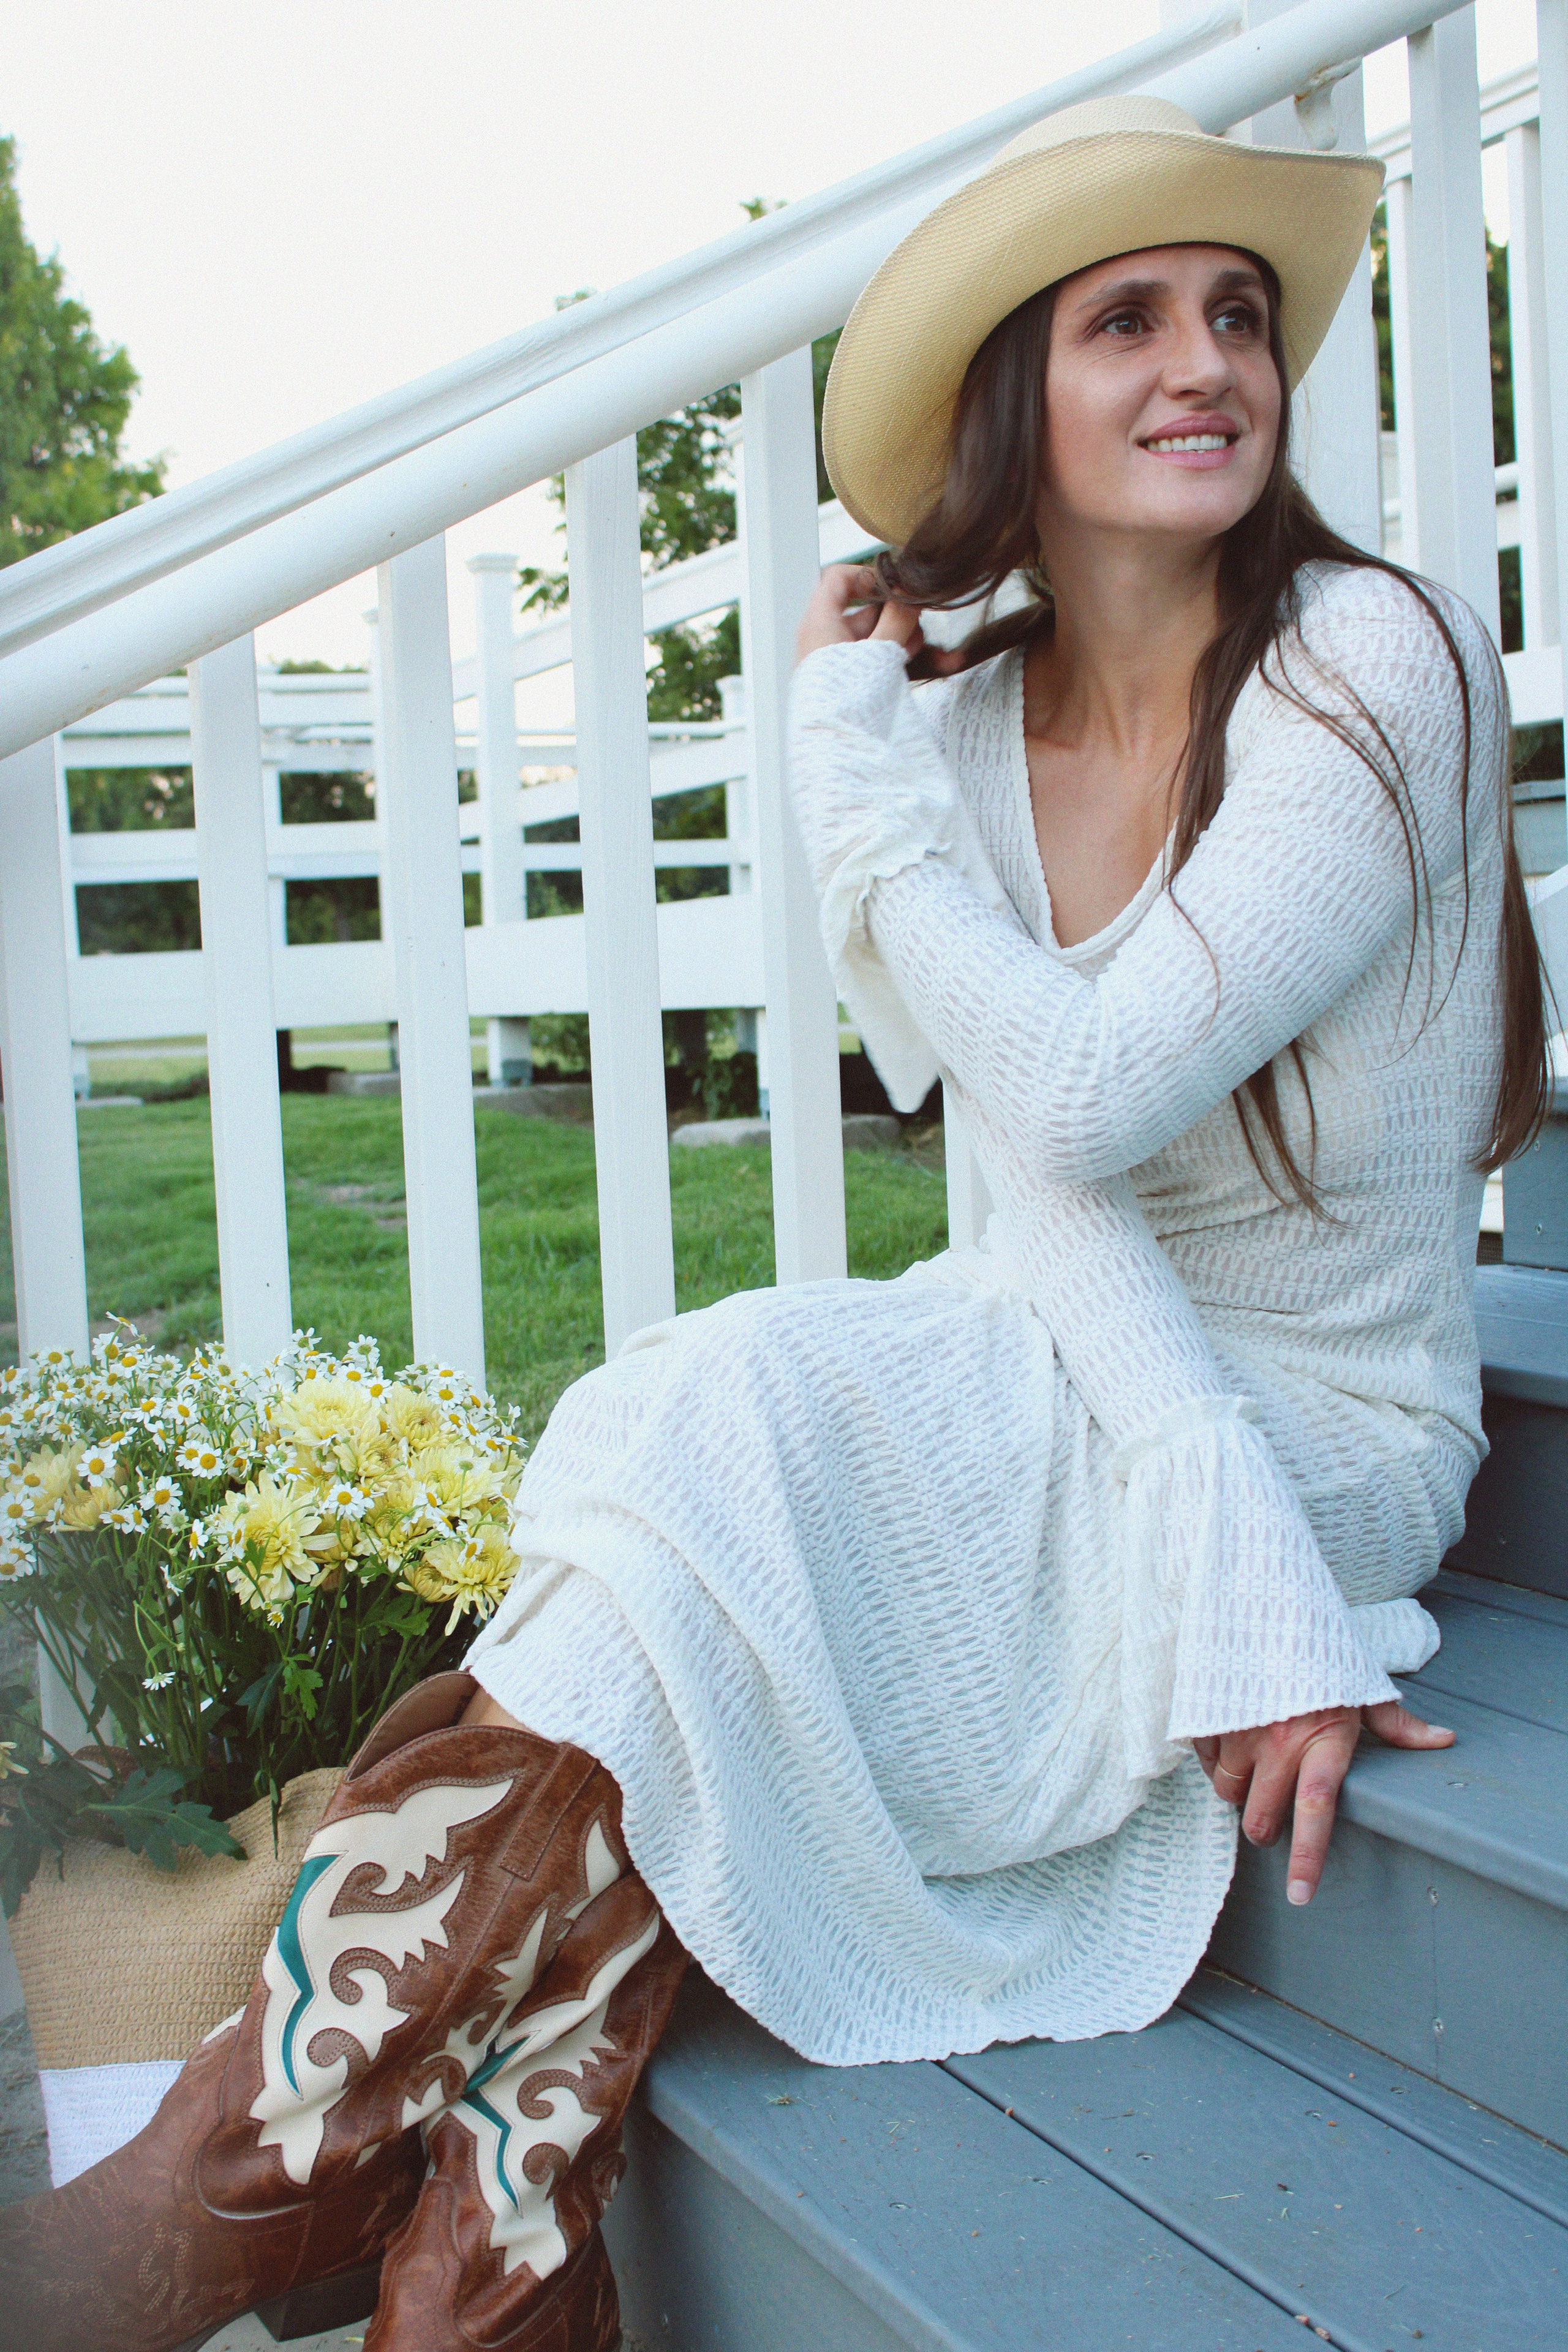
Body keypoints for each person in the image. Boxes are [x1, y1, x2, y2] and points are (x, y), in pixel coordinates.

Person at [3, 92, 1548, 2352]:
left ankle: (251, 2197)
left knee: (727, 1466)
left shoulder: (1366, 663)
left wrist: (845, 758)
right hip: (1064, 1341)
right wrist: (900, 754)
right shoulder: (985, 714)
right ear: (1018, 398)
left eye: (1237, 316)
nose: (1204, 361)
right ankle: (441, 2255)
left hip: (1310, 1422)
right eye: (1126, 321)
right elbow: (1035, 1178)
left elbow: (1084, 1090)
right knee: (697, 1437)